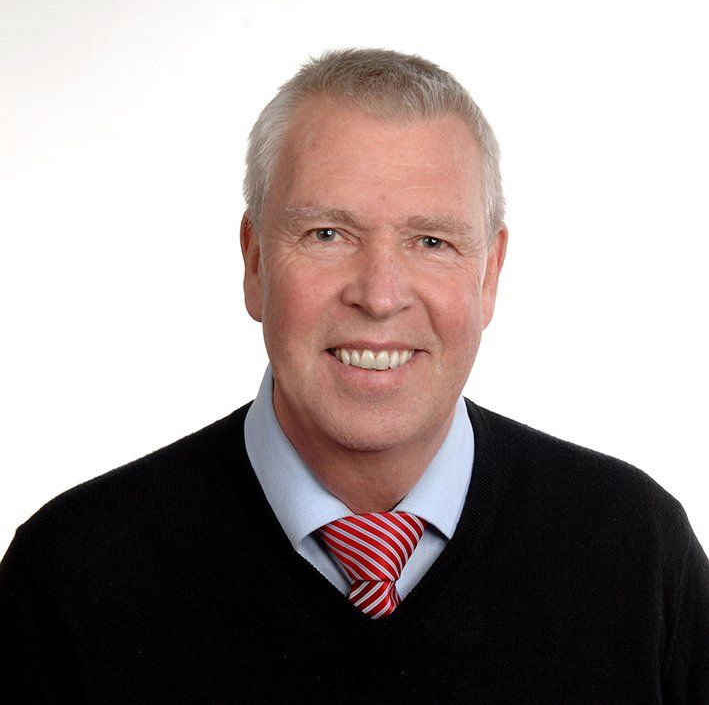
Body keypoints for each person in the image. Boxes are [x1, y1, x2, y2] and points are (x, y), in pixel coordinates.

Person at [1, 48, 707, 703]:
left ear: (489, 274)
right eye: (327, 235)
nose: (379, 295)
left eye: (431, 241)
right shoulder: (71, 575)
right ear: (254, 262)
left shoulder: (636, 551)